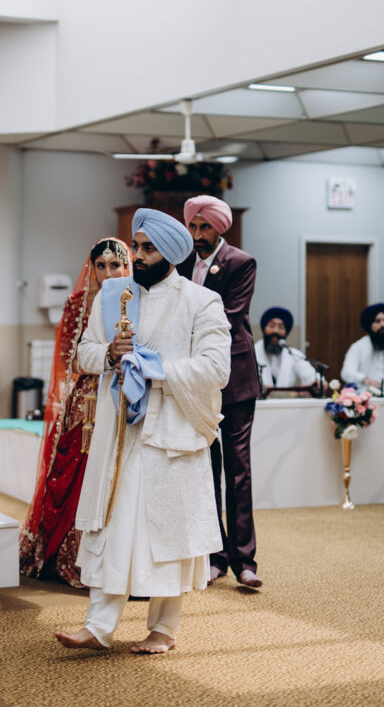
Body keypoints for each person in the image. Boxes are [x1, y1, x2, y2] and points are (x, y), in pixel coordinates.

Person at [55, 208, 231, 653]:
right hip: (120, 434)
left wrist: (156, 369)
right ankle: (97, 627)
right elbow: (83, 355)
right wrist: (111, 355)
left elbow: (217, 369)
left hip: (171, 433)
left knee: (167, 533)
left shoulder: (201, 301)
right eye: (136, 245)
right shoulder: (113, 295)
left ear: (170, 252)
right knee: (112, 525)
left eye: (148, 248)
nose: (137, 255)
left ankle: (163, 630)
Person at [19, 238, 132, 587]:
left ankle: (118, 560)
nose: (109, 273)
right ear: (92, 268)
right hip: (89, 400)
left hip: (129, 393)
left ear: (126, 266)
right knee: (77, 472)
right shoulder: (77, 303)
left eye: (115, 265)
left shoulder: (137, 299)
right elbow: (69, 359)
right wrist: (106, 358)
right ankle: (68, 556)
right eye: (102, 266)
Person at [178, 195, 262, 589]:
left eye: (204, 227)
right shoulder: (180, 263)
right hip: (196, 382)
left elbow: (229, 315)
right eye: (193, 227)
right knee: (206, 470)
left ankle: (246, 561)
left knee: (238, 470)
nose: (197, 234)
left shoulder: (241, 263)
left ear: (220, 228)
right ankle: (215, 556)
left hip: (236, 379)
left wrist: (184, 330)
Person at [255, 307, 320, 391]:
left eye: (281, 327)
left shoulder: (293, 354)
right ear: (264, 329)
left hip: (285, 399)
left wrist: (318, 383)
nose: (276, 331)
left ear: (286, 332)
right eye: (271, 326)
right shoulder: (252, 352)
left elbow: (312, 377)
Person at [341, 303, 384, 393]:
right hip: (365, 394)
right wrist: (365, 379)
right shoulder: (359, 346)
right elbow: (347, 372)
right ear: (369, 324)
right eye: (377, 321)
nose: (382, 324)